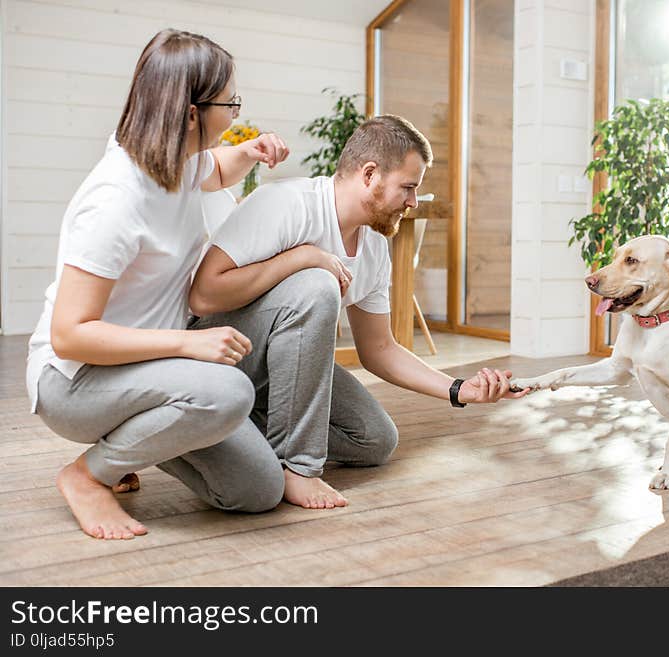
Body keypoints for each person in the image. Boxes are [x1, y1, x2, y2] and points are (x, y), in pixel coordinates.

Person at [26, 29, 290, 540]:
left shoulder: (179, 160)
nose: (235, 113)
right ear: (192, 113)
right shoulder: (116, 200)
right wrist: (188, 343)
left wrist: (251, 150)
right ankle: (86, 476)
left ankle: (131, 440)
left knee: (256, 491)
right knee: (228, 390)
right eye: (229, 103)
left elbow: (217, 170)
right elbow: (70, 334)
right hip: (75, 381)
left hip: (144, 371)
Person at [189, 114, 528, 511]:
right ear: (370, 174)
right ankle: (296, 466)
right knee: (317, 282)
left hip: (283, 370)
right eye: (408, 187)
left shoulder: (374, 247)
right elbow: (203, 296)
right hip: (223, 359)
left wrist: (459, 390)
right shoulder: (287, 204)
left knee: (374, 438)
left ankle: (248, 427)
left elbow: (380, 348)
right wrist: (304, 258)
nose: (413, 201)